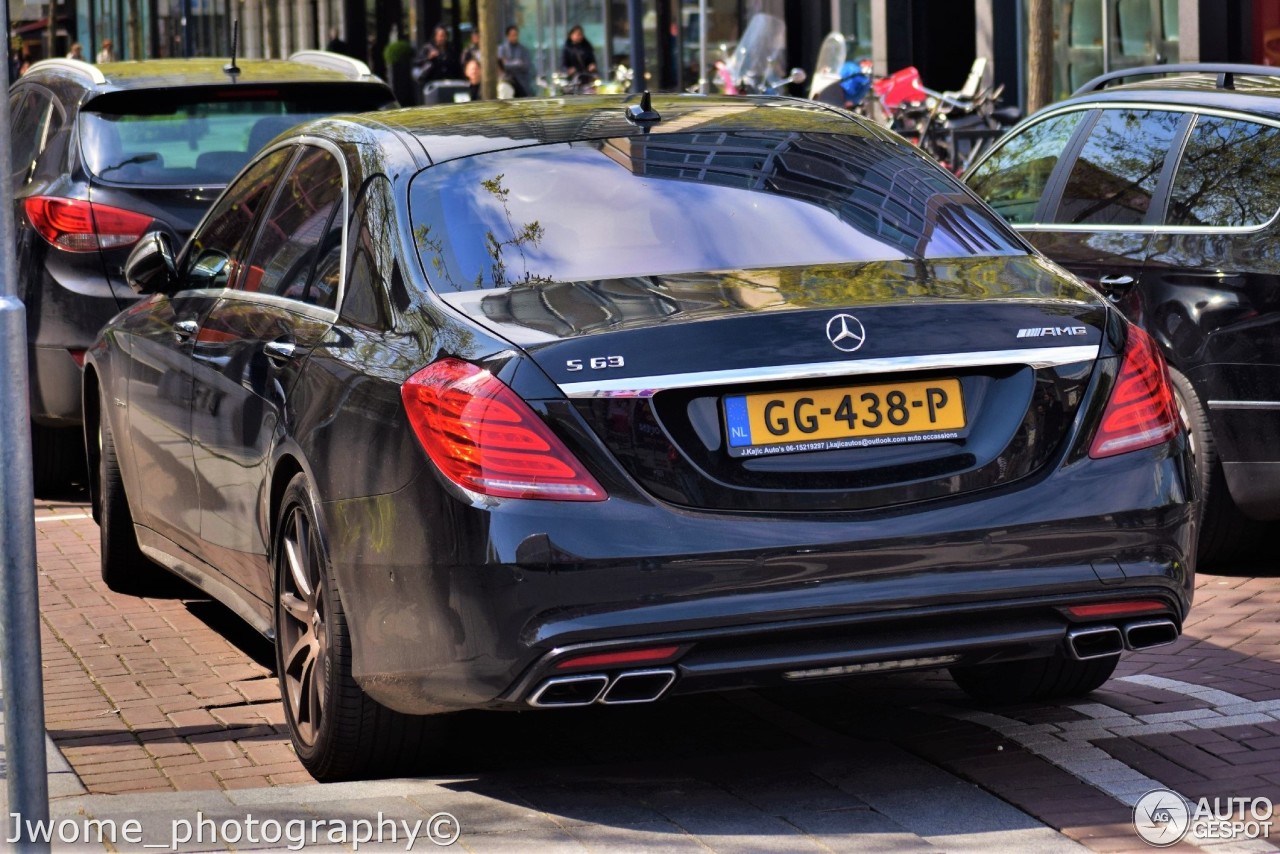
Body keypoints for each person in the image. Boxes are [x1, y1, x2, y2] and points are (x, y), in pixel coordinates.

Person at [497, 25, 533, 98]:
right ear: (507, 36)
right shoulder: (502, 49)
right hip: (507, 80)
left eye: (516, 35)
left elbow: (526, 66)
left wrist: (508, 64)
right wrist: (517, 63)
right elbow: (502, 66)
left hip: (521, 82)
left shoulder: (523, 50)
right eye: (512, 35)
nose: (514, 37)